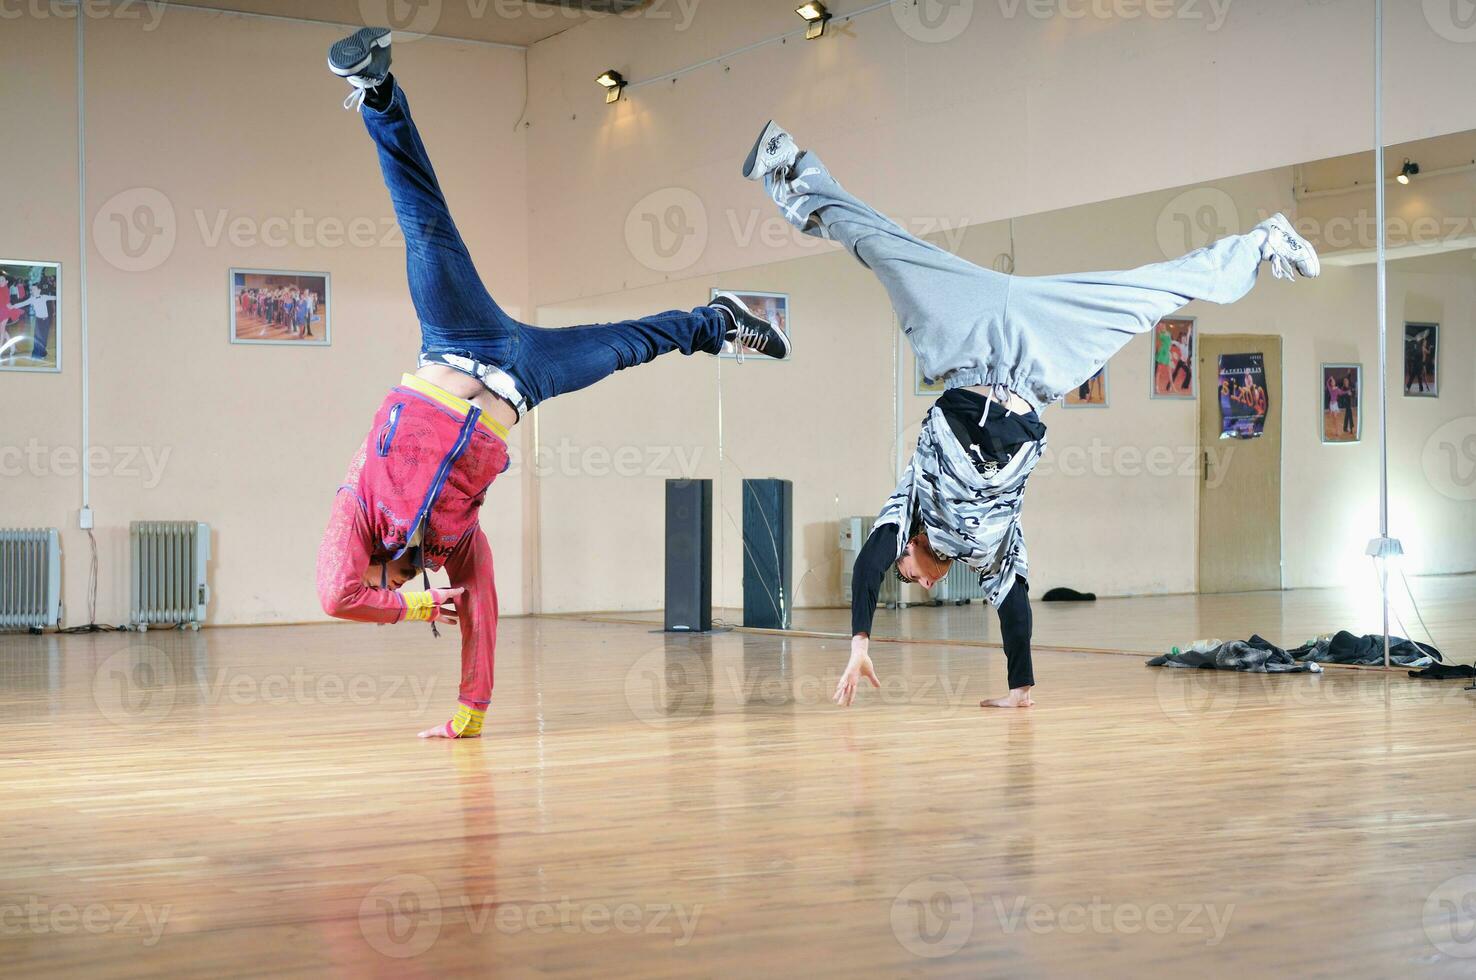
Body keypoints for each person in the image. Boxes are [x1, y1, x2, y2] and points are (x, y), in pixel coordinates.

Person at [738, 120, 1320, 709]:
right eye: (909, 577)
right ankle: (1264, 241)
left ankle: (791, 171)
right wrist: (1020, 689)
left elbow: (867, 566)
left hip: (966, 341)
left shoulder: (906, 507)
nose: (907, 577)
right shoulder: (993, 553)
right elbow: (1014, 605)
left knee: (886, 251)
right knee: (1144, 299)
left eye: (902, 573)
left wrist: (860, 640)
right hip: (1042, 359)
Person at [316, 29, 791, 739]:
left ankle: (378, 88)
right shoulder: (452, 545)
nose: (385, 588)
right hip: (521, 378)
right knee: (628, 345)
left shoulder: (356, 511)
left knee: (426, 229)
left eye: (386, 590)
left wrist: (407, 610)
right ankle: (719, 323)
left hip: (455, 340)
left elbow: (334, 596)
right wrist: (467, 715)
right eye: (395, 592)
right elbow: (482, 608)